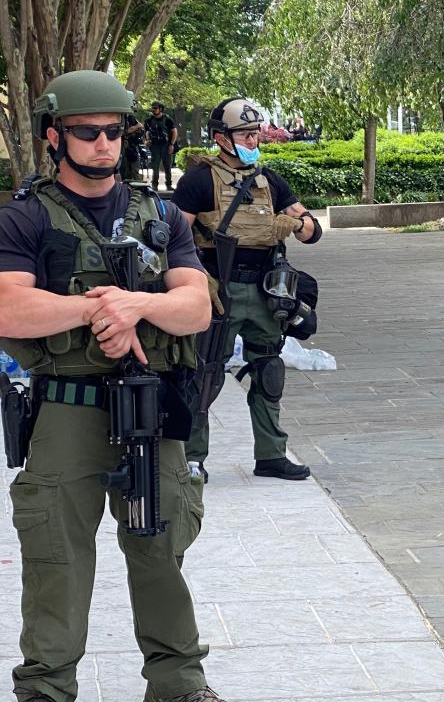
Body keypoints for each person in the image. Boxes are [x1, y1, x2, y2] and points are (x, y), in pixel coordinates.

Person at [0, 70, 223, 702]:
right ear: (54, 135)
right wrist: (103, 310)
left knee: (159, 545)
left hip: (150, 403)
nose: (104, 143)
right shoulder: (24, 219)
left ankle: (179, 684)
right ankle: (45, 688)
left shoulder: (163, 216)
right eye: (87, 132)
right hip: (67, 410)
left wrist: (135, 306)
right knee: (56, 562)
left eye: (114, 131)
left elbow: (196, 308)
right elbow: (9, 310)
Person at [172, 97, 322, 482]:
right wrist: (193, 276)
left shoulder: (269, 181)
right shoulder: (199, 181)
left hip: (266, 289)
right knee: (204, 374)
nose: (253, 140)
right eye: (244, 133)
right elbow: (172, 236)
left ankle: (271, 454)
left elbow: (312, 231)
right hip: (219, 290)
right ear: (221, 138)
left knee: (269, 369)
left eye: (255, 132)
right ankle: (191, 458)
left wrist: (295, 224)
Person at [144, 100, 177, 190]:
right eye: (152, 108)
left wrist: (171, 144)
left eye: (155, 108)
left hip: (165, 145)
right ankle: (154, 185)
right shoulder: (148, 120)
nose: (153, 110)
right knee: (155, 166)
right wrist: (147, 141)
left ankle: (169, 185)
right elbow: (146, 132)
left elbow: (174, 132)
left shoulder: (168, 119)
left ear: (160, 109)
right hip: (154, 145)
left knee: (167, 166)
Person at [120, 112, 145, 181]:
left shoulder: (131, 118)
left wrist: (135, 128)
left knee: (135, 170)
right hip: (123, 148)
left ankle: (136, 188)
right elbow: (126, 131)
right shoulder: (120, 118)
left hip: (133, 147)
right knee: (125, 171)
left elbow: (141, 127)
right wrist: (135, 127)